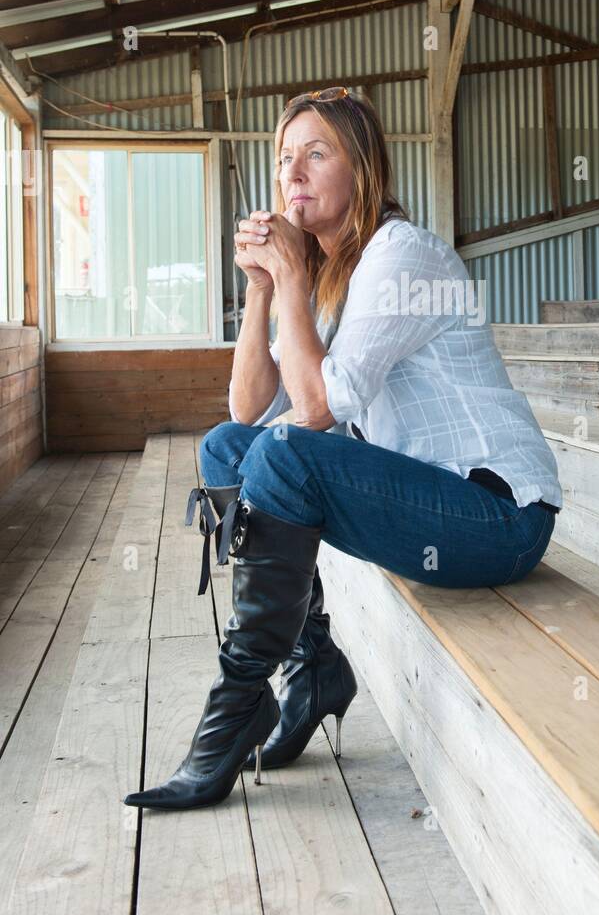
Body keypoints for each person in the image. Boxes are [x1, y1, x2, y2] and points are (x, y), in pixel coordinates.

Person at [124, 86, 562, 812]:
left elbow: (323, 406)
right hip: (421, 509)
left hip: (496, 518)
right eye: (282, 159)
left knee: (284, 454)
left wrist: (292, 275)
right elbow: (248, 408)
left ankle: (231, 714)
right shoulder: (327, 276)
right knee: (231, 446)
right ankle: (312, 664)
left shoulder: (402, 256)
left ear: (361, 169)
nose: (291, 173)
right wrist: (264, 289)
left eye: (315, 153)